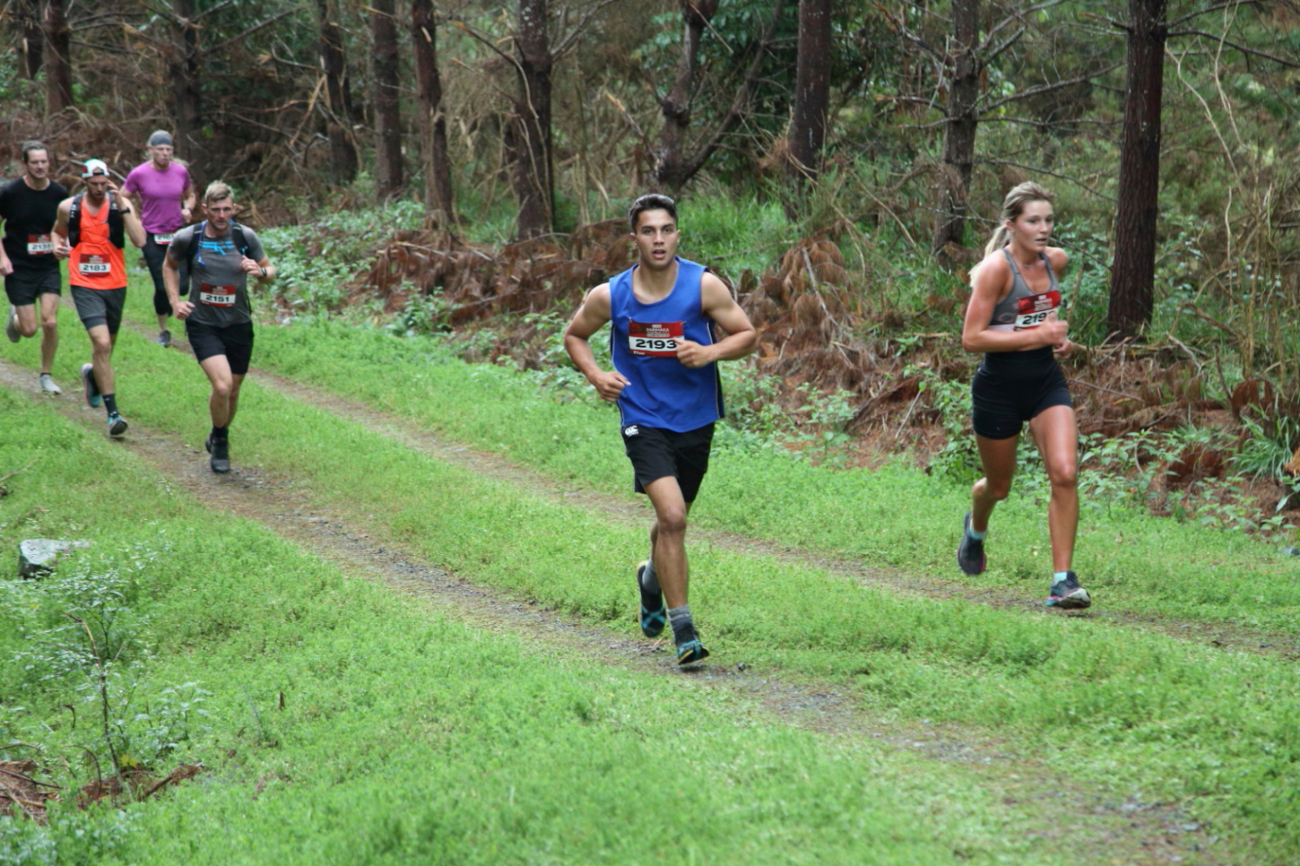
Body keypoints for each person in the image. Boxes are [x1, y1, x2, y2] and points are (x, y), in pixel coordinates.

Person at [563, 194, 757, 664]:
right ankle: (684, 632)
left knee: (674, 519)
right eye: (649, 231)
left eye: (666, 230)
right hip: (642, 416)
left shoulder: (703, 286)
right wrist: (596, 375)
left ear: (677, 235)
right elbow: (575, 335)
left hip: (694, 419)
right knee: (672, 517)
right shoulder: (612, 294)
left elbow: (747, 334)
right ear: (635, 239)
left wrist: (709, 352)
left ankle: (650, 580)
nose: (658, 239)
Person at [957, 181, 1089, 609]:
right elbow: (972, 338)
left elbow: (1042, 318)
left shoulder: (1057, 262)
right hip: (999, 388)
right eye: (1034, 220)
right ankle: (975, 530)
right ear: (1012, 224)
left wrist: (1060, 343)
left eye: (1049, 220)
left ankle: (1063, 582)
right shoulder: (997, 270)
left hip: (1045, 381)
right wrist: (1038, 333)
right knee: (998, 487)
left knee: (1065, 473)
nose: (1044, 228)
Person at [163, 181, 275, 474]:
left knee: (234, 390)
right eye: (216, 210)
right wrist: (175, 301)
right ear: (205, 210)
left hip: (238, 322)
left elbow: (270, 271)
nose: (222, 215)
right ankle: (222, 440)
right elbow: (169, 265)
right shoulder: (190, 237)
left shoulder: (244, 236)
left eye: (227, 209)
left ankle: (217, 435)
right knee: (222, 385)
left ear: (234, 208)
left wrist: (260, 271)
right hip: (203, 323)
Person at [51, 159, 146, 437]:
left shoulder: (120, 205)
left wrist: (122, 203)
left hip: (116, 285)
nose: (99, 189)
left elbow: (140, 240)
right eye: (94, 184)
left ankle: (93, 375)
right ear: (84, 182)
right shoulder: (68, 208)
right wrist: (58, 247)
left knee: (107, 349)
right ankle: (113, 414)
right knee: (101, 343)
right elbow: (57, 233)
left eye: (104, 184)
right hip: (83, 284)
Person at [0, 140, 69, 394]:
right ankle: (17, 319)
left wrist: (64, 245)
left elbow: (64, 228)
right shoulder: (11, 193)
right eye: (35, 162)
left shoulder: (59, 194)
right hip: (18, 267)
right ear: (25, 164)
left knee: (50, 323)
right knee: (29, 330)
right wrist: (2, 258)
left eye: (44, 161)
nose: (41, 167)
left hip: (48, 266)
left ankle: (45, 375)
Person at [122, 130, 195, 348]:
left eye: (168, 150)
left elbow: (190, 195)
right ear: (150, 150)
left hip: (177, 236)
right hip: (152, 237)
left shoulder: (180, 172)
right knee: (162, 286)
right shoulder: (139, 174)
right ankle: (163, 329)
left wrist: (187, 209)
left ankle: (180, 312)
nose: (165, 154)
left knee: (182, 286)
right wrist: (132, 218)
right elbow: (123, 197)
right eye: (160, 150)